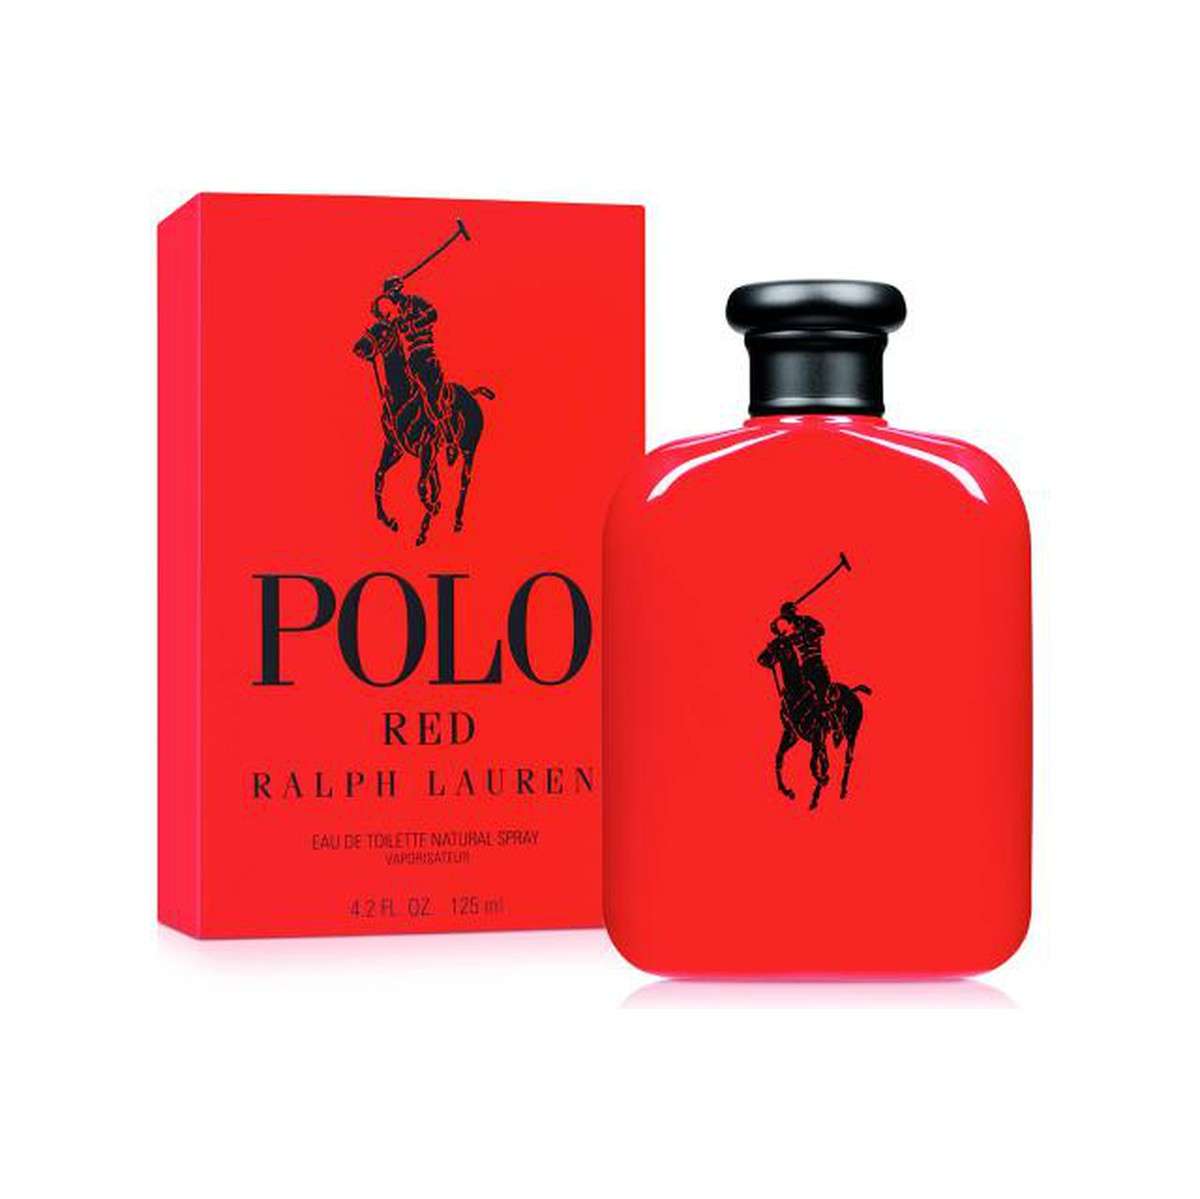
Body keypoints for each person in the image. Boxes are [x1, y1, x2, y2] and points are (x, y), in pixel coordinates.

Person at [378, 277, 458, 463]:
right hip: (412, 359)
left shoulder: (415, 302)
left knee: (432, 398)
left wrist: (413, 322)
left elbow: (433, 314)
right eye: (389, 296)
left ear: (398, 290)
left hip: (426, 356)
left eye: (392, 294)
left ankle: (450, 438)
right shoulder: (398, 313)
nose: (392, 298)